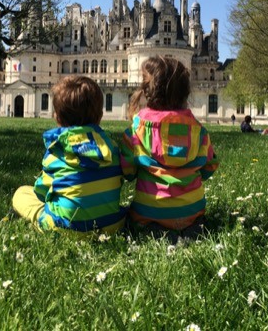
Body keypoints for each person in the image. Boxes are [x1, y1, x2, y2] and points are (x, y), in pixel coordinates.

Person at [12, 76, 126, 235]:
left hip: (65, 228)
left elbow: (41, 193)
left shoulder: (58, 150)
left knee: (21, 193)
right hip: (112, 225)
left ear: (57, 117)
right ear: (100, 115)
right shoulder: (112, 148)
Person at [120, 56, 219, 235]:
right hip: (192, 216)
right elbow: (209, 168)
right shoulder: (199, 132)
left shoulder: (135, 131)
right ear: (186, 93)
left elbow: (128, 172)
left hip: (148, 216)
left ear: (146, 91)